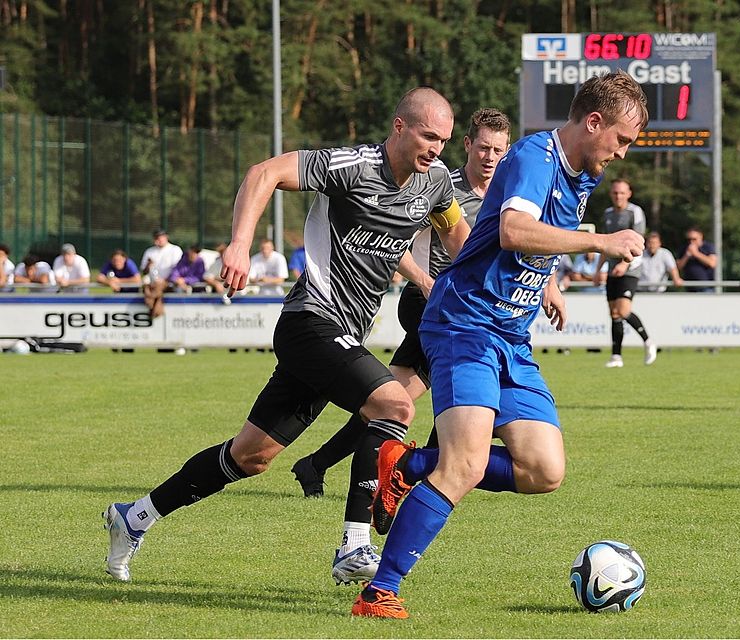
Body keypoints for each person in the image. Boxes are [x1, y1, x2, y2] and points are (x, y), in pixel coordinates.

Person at [101, 87, 470, 588]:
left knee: (250, 457)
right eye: (429, 136)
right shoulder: (354, 166)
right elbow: (264, 172)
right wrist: (239, 243)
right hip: (310, 321)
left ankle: (134, 517)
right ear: (400, 127)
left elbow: (455, 234)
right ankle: (355, 544)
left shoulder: (437, 184)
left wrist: (479, 279)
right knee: (394, 406)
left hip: (343, 333)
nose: (436, 149)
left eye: (445, 141)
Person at [351, 70, 648, 619]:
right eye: (621, 141)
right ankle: (378, 592)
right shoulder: (535, 159)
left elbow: (529, 244)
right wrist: (600, 241)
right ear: (593, 122)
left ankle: (407, 464)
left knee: (543, 470)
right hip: (466, 325)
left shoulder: (581, 172)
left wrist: (550, 285)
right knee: (462, 466)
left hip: (511, 336)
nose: (623, 155)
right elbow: (513, 230)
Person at [290, 108, 510, 583]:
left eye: (499, 150)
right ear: (468, 146)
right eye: (484, 147)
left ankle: (324, 464)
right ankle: (411, 477)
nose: (491, 157)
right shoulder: (437, 180)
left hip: (463, 309)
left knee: (398, 399)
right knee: (424, 401)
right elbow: (399, 238)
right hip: (429, 304)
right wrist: (426, 281)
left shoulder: (501, 197)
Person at [593, 178, 654, 367]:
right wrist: (598, 270)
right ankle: (616, 356)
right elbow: (604, 244)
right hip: (613, 269)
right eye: (615, 192)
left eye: (622, 192)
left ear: (629, 194)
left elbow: (639, 242)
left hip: (631, 267)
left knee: (623, 310)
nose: (618, 196)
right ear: (611, 194)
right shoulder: (608, 214)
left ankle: (648, 341)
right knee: (614, 313)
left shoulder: (635, 212)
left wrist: (624, 264)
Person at [141, 229, 183, 317]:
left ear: (166, 237)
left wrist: (165, 280)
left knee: (156, 289)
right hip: (153, 283)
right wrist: (148, 265)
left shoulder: (175, 250)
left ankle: (152, 306)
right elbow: (144, 271)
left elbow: (177, 269)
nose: (158, 240)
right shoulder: (150, 251)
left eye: (160, 237)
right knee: (149, 287)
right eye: (156, 238)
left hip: (169, 281)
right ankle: (156, 310)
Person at [676, 226, 717, 292]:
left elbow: (712, 263)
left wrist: (696, 254)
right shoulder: (684, 249)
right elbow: (678, 267)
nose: (691, 242)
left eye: (694, 239)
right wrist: (686, 256)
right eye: (689, 239)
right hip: (689, 287)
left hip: (707, 288)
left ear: (701, 236)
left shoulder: (708, 247)